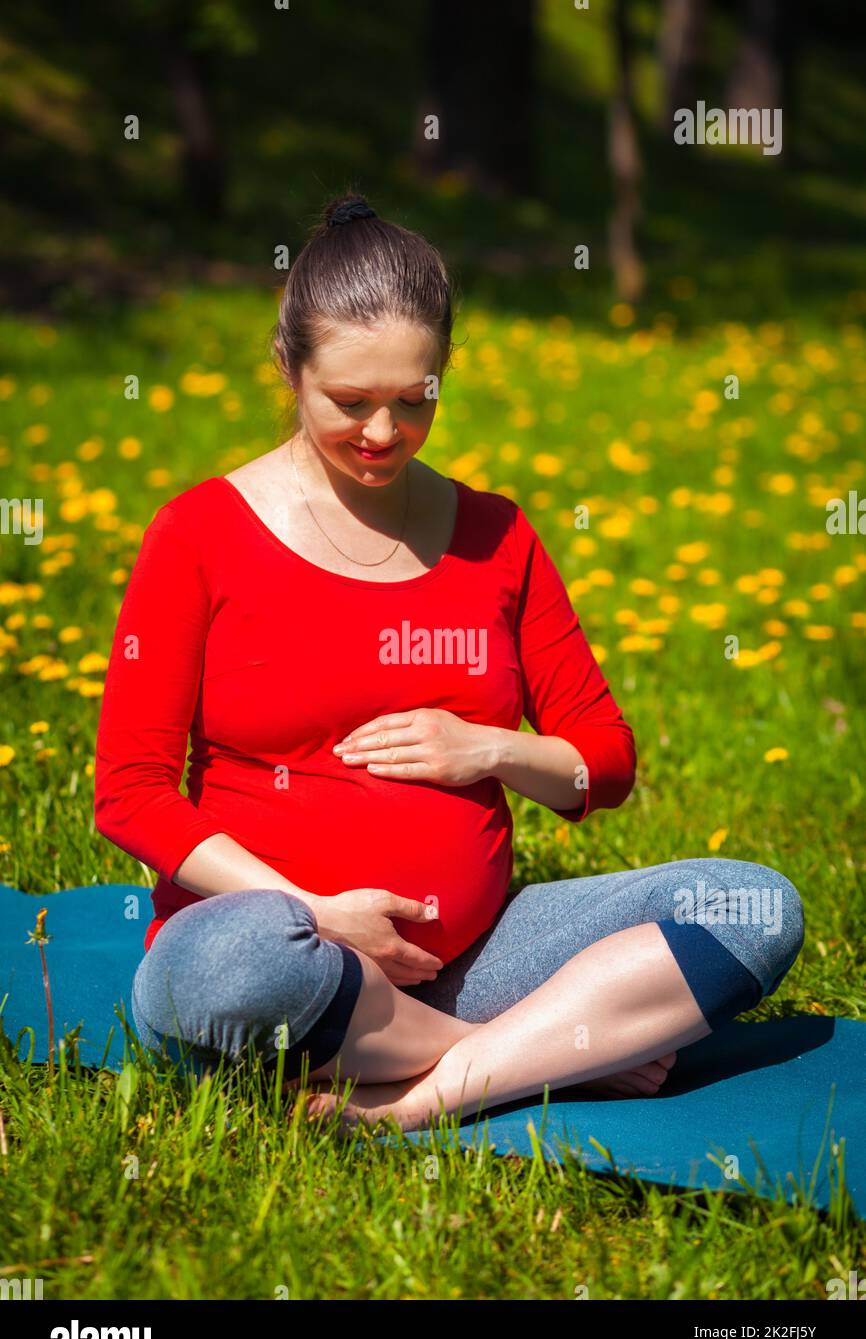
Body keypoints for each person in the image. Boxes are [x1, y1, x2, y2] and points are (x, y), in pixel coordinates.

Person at [94, 193, 804, 1134]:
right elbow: (130, 793)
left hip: (475, 959)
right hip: (282, 950)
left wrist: (489, 750)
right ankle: (556, 1047)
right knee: (239, 969)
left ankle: (419, 1098)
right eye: (349, 402)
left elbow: (605, 760)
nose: (382, 434)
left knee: (753, 904)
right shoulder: (198, 535)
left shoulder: (495, 536)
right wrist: (316, 910)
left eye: (413, 400)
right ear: (287, 366)